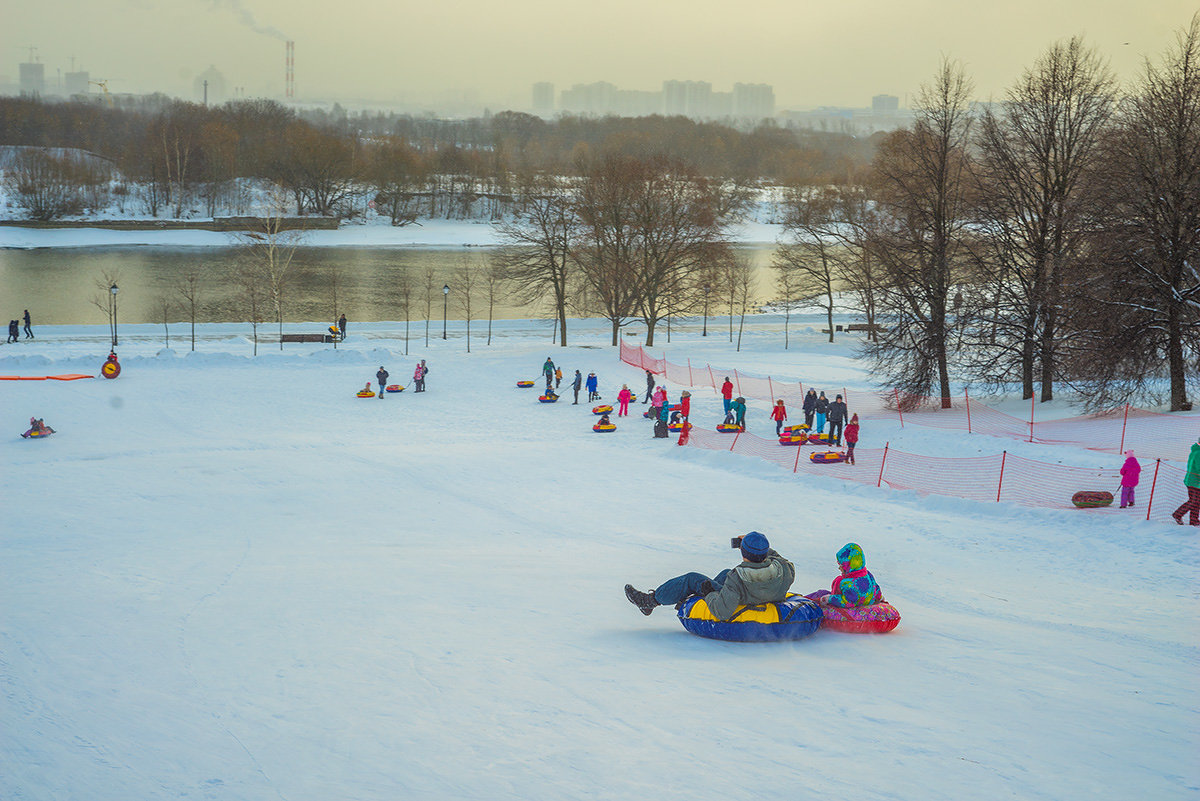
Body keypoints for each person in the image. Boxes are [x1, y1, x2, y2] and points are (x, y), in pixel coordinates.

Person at [624, 532, 796, 620]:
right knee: (724, 573)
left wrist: (709, 594)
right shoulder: (784, 569)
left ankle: (650, 601)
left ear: (743, 553)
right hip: (765, 594)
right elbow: (777, 558)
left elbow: (722, 611)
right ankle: (674, 598)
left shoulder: (738, 578)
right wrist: (757, 546)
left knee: (692, 579)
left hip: (744, 599)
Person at [807, 543, 883, 608]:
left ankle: (802, 602)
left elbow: (847, 602)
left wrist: (829, 599)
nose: (839, 568)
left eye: (841, 565)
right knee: (822, 593)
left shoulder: (849, 583)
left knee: (821, 593)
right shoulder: (868, 575)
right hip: (863, 603)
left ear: (849, 566)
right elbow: (876, 589)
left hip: (844, 609)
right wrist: (880, 598)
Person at [1171, 436, 1200, 526]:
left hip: (1193, 481)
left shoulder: (1196, 450)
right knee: (1194, 501)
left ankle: (1194, 520)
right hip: (1194, 481)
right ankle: (1177, 514)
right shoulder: (1198, 453)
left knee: (1197, 501)